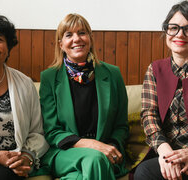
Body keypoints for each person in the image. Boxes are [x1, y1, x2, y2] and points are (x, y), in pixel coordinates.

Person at [36, 13, 129, 179]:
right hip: (65, 153)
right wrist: (95, 146)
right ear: (61, 44)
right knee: (95, 158)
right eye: (68, 35)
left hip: (107, 153)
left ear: (90, 39)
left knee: (86, 170)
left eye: (82, 33)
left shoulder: (113, 74)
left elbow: (121, 125)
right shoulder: (49, 78)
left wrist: (111, 146)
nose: (76, 39)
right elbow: (52, 130)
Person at [0, 11, 49, 180]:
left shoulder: (24, 83)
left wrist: (26, 157)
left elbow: (37, 133)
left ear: (8, 46)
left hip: (10, 164)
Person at [134, 1, 188, 179]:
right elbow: (149, 115)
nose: (180, 34)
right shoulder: (155, 69)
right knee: (144, 172)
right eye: (174, 28)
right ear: (166, 31)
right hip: (167, 152)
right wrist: (164, 151)